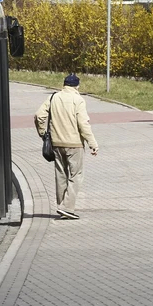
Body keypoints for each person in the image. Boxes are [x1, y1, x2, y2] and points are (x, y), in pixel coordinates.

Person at [34, 73, 99, 220]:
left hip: (56, 143)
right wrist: (92, 144)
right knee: (76, 176)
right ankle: (67, 208)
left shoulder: (53, 97)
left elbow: (39, 115)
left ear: (64, 84)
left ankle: (61, 206)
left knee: (60, 175)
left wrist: (43, 133)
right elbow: (83, 124)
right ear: (77, 86)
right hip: (74, 144)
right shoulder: (78, 100)